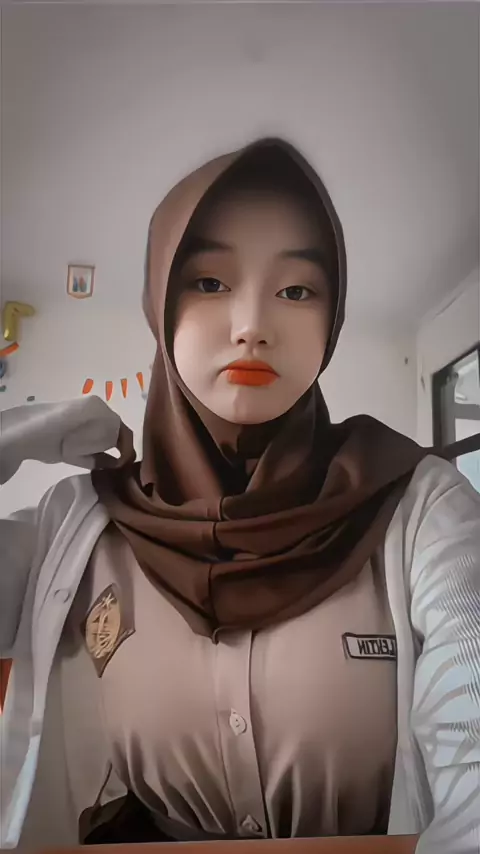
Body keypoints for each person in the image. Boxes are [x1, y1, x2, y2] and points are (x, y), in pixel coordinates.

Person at [1, 139, 479, 853]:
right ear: (160, 305)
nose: (253, 324)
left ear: (332, 318)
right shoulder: (79, 524)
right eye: (209, 282)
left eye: (297, 291)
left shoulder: (417, 506)